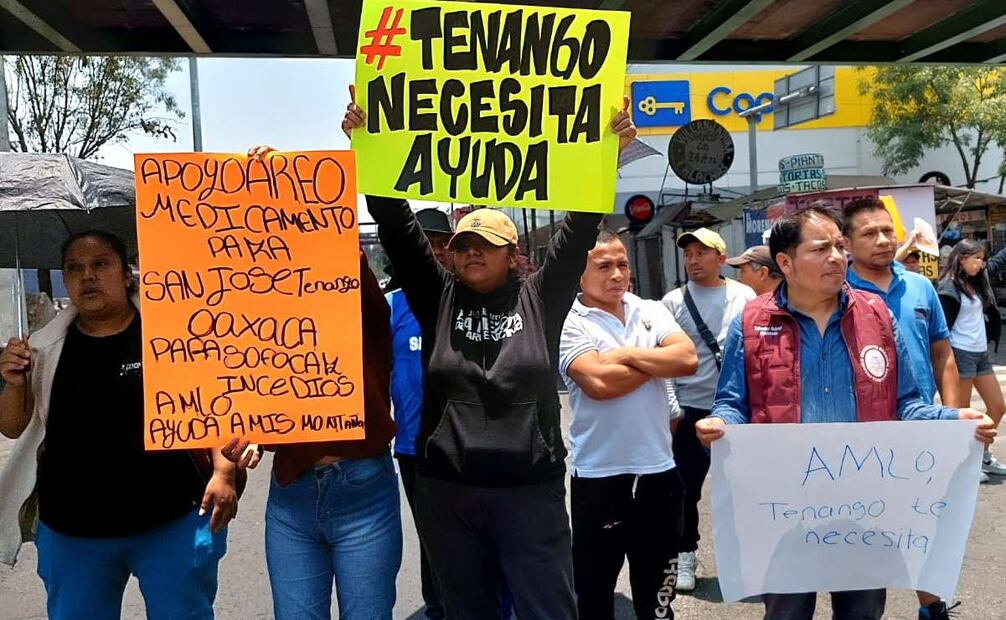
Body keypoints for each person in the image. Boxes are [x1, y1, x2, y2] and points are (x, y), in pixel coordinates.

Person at [342, 87, 638, 619]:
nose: (472, 250)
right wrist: (369, 143)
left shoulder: (540, 296)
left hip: (530, 494)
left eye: (485, 243)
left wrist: (606, 156)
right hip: (449, 495)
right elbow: (395, 223)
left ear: (513, 254)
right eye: (462, 244)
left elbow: (577, 231)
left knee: (549, 611)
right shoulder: (436, 297)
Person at [696, 207, 996, 620]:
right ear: (785, 262)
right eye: (821, 248)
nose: (837, 257)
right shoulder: (751, 321)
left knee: (861, 613)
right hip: (783, 506)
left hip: (865, 506)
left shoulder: (877, 316)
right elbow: (733, 403)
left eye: (839, 246)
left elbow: (907, 403)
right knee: (786, 613)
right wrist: (719, 424)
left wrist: (952, 420)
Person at [0, 230, 240, 620]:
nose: (87, 276)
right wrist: (13, 382)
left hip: (172, 523)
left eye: (100, 264)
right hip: (73, 533)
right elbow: (12, 427)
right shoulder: (42, 347)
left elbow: (211, 400)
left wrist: (224, 472)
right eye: (74, 268)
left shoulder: (170, 331)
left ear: (127, 274)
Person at [223, 244, 401, 620]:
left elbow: (343, 255)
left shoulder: (361, 307)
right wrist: (251, 429)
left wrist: (320, 228)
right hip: (292, 495)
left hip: (363, 492)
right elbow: (241, 380)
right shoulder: (264, 320)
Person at [560, 230, 697, 619]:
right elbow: (600, 384)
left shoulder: (650, 310)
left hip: (660, 474)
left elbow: (687, 360)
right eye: (604, 266)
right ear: (580, 274)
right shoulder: (569, 322)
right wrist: (656, 360)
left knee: (658, 599)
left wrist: (627, 355)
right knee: (593, 596)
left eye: (622, 264)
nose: (617, 274)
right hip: (600, 478)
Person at [841, 198, 962, 620]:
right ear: (847, 243)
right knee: (863, 533)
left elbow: (942, 353)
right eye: (869, 234)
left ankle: (933, 608)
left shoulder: (919, 287)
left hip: (918, 425)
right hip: (862, 435)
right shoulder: (838, 293)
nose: (882, 240)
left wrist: (951, 415)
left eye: (887, 231)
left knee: (922, 526)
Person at [661, 227, 755, 592]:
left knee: (743, 489)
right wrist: (673, 410)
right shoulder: (673, 301)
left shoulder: (744, 296)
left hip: (736, 409)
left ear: (721, 257)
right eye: (688, 254)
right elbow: (664, 358)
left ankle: (747, 559)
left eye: (702, 252)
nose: (694, 260)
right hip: (690, 409)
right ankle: (685, 554)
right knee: (685, 489)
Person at [387, 207, 453, 619]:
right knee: (433, 538)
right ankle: (439, 608)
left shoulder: (466, 298)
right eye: (425, 242)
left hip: (468, 444)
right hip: (414, 446)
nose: (434, 251)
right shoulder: (389, 306)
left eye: (443, 243)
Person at [937, 239, 1006, 484]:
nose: (981, 263)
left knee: (998, 406)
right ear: (961, 258)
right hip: (961, 354)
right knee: (963, 416)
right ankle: (964, 464)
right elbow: (941, 329)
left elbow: (997, 263)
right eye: (975, 258)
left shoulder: (977, 282)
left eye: (982, 258)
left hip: (981, 354)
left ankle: (983, 455)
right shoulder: (948, 287)